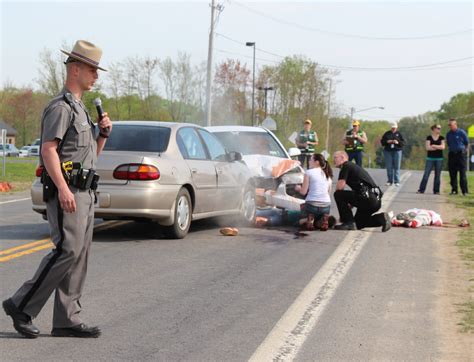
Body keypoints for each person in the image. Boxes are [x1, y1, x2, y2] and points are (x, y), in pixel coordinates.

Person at [2, 40, 112, 339]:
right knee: (67, 250)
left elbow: (89, 159)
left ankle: (67, 319)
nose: (96, 76)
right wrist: (63, 190)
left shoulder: (81, 110)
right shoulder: (60, 108)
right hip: (68, 192)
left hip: (85, 192)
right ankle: (20, 304)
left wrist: (101, 135)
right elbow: (49, 151)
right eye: (92, 69)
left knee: (79, 255)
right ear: (75, 69)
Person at [332, 151, 391, 231]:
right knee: (358, 224)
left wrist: (345, 217)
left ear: (342, 157)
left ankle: (348, 223)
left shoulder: (346, 166)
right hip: (374, 201)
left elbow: (339, 188)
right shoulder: (353, 167)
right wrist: (346, 210)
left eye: (335, 158)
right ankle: (382, 218)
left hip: (367, 199)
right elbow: (358, 191)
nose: (333, 160)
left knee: (338, 194)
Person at [295, 153, 333, 231]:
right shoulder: (328, 175)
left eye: (310, 160)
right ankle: (323, 219)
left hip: (312, 205)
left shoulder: (309, 172)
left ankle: (308, 219)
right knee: (319, 214)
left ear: (317, 162)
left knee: (299, 222)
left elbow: (303, 192)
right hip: (326, 206)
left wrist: (298, 188)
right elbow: (327, 193)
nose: (308, 161)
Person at [417, 124, 445, 195]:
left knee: (437, 175)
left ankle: (436, 190)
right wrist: (437, 147)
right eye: (438, 128)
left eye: (440, 128)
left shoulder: (441, 138)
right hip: (430, 158)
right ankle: (421, 189)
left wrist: (434, 146)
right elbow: (428, 148)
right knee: (426, 174)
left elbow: (443, 147)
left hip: (439, 158)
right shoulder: (429, 137)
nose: (439, 130)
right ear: (434, 129)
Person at [446, 118, 469, 195]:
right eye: (449, 125)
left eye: (451, 125)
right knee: (452, 173)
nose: (450, 126)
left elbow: (466, 143)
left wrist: (465, 152)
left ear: (455, 124)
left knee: (462, 173)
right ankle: (454, 190)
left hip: (461, 154)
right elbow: (449, 144)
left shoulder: (461, 132)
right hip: (452, 154)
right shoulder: (448, 134)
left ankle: (464, 191)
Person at [381, 122, 405, 186]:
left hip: (397, 151)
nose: (393, 129)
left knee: (397, 166)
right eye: (392, 128)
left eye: (394, 128)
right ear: (391, 127)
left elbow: (403, 143)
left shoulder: (399, 134)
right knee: (389, 167)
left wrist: (398, 142)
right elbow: (382, 142)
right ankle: (390, 181)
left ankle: (397, 181)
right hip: (388, 151)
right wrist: (387, 141)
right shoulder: (387, 134)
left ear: (396, 127)